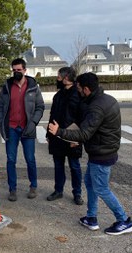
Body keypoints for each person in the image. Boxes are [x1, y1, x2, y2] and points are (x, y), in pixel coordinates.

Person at [48, 72, 132, 235]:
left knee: (101, 188)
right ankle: (91, 217)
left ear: (86, 89)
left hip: (102, 153)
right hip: (102, 150)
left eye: (79, 88)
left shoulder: (96, 107)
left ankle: (123, 220)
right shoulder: (106, 99)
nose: (78, 90)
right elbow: (94, 129)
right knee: (89, 182)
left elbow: (84, 133)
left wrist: (59, 132)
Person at [0, 58, 45, 202]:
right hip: (11, 129)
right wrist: (0, 122)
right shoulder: (7, 87)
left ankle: (33, 186)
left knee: (30, 159)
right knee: (11, 160)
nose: (16, 72)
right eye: (14, 70)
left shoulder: (33, 87)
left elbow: (40, 107)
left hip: (27, 129)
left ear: (25, 70)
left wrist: (33, 122)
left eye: (19, 70)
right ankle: (12, 189)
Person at [46, 67, 84, 205]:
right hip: (56, 136)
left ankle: (77, 193)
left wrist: (78, 139)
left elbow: (82, 117)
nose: (57, 78)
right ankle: (58, 190)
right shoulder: (58, 95)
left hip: (73, 136)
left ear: (66, 77)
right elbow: (52, 115)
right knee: (58, 165)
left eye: (58, 75)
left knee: (74, 165)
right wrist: (48, 134)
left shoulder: (78, 94)